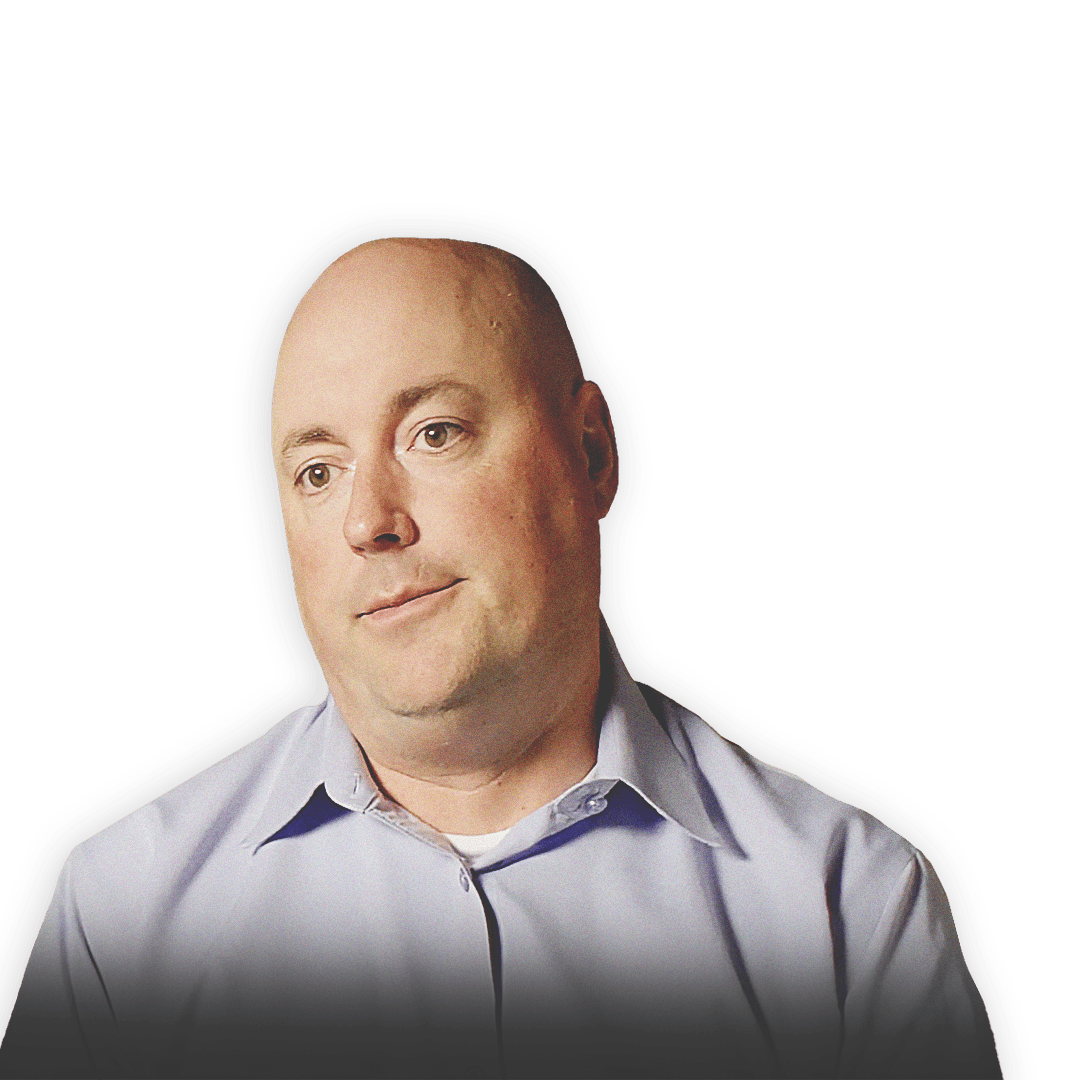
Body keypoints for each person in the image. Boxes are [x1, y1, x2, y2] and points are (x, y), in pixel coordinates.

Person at [0, 217, 1004, 1078]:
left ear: (595, 453)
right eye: (315, 471)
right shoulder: (116, 914)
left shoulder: (851, 906)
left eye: (433, 433)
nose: (368, 521)